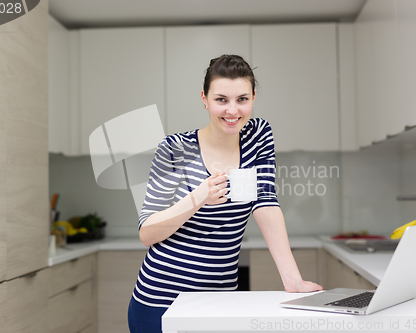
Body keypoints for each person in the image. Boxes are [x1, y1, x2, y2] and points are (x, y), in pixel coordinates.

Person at [127, 54, 322, 333]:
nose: (233, 111)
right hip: (162, 301)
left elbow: (265, 202)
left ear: (253, 98)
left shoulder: (258, 136)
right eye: (221, 99)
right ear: (204, 99)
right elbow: (147, 233)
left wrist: (293, 279)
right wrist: (198, 198)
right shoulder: (174, 148)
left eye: (242, 99)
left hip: (221, 299)